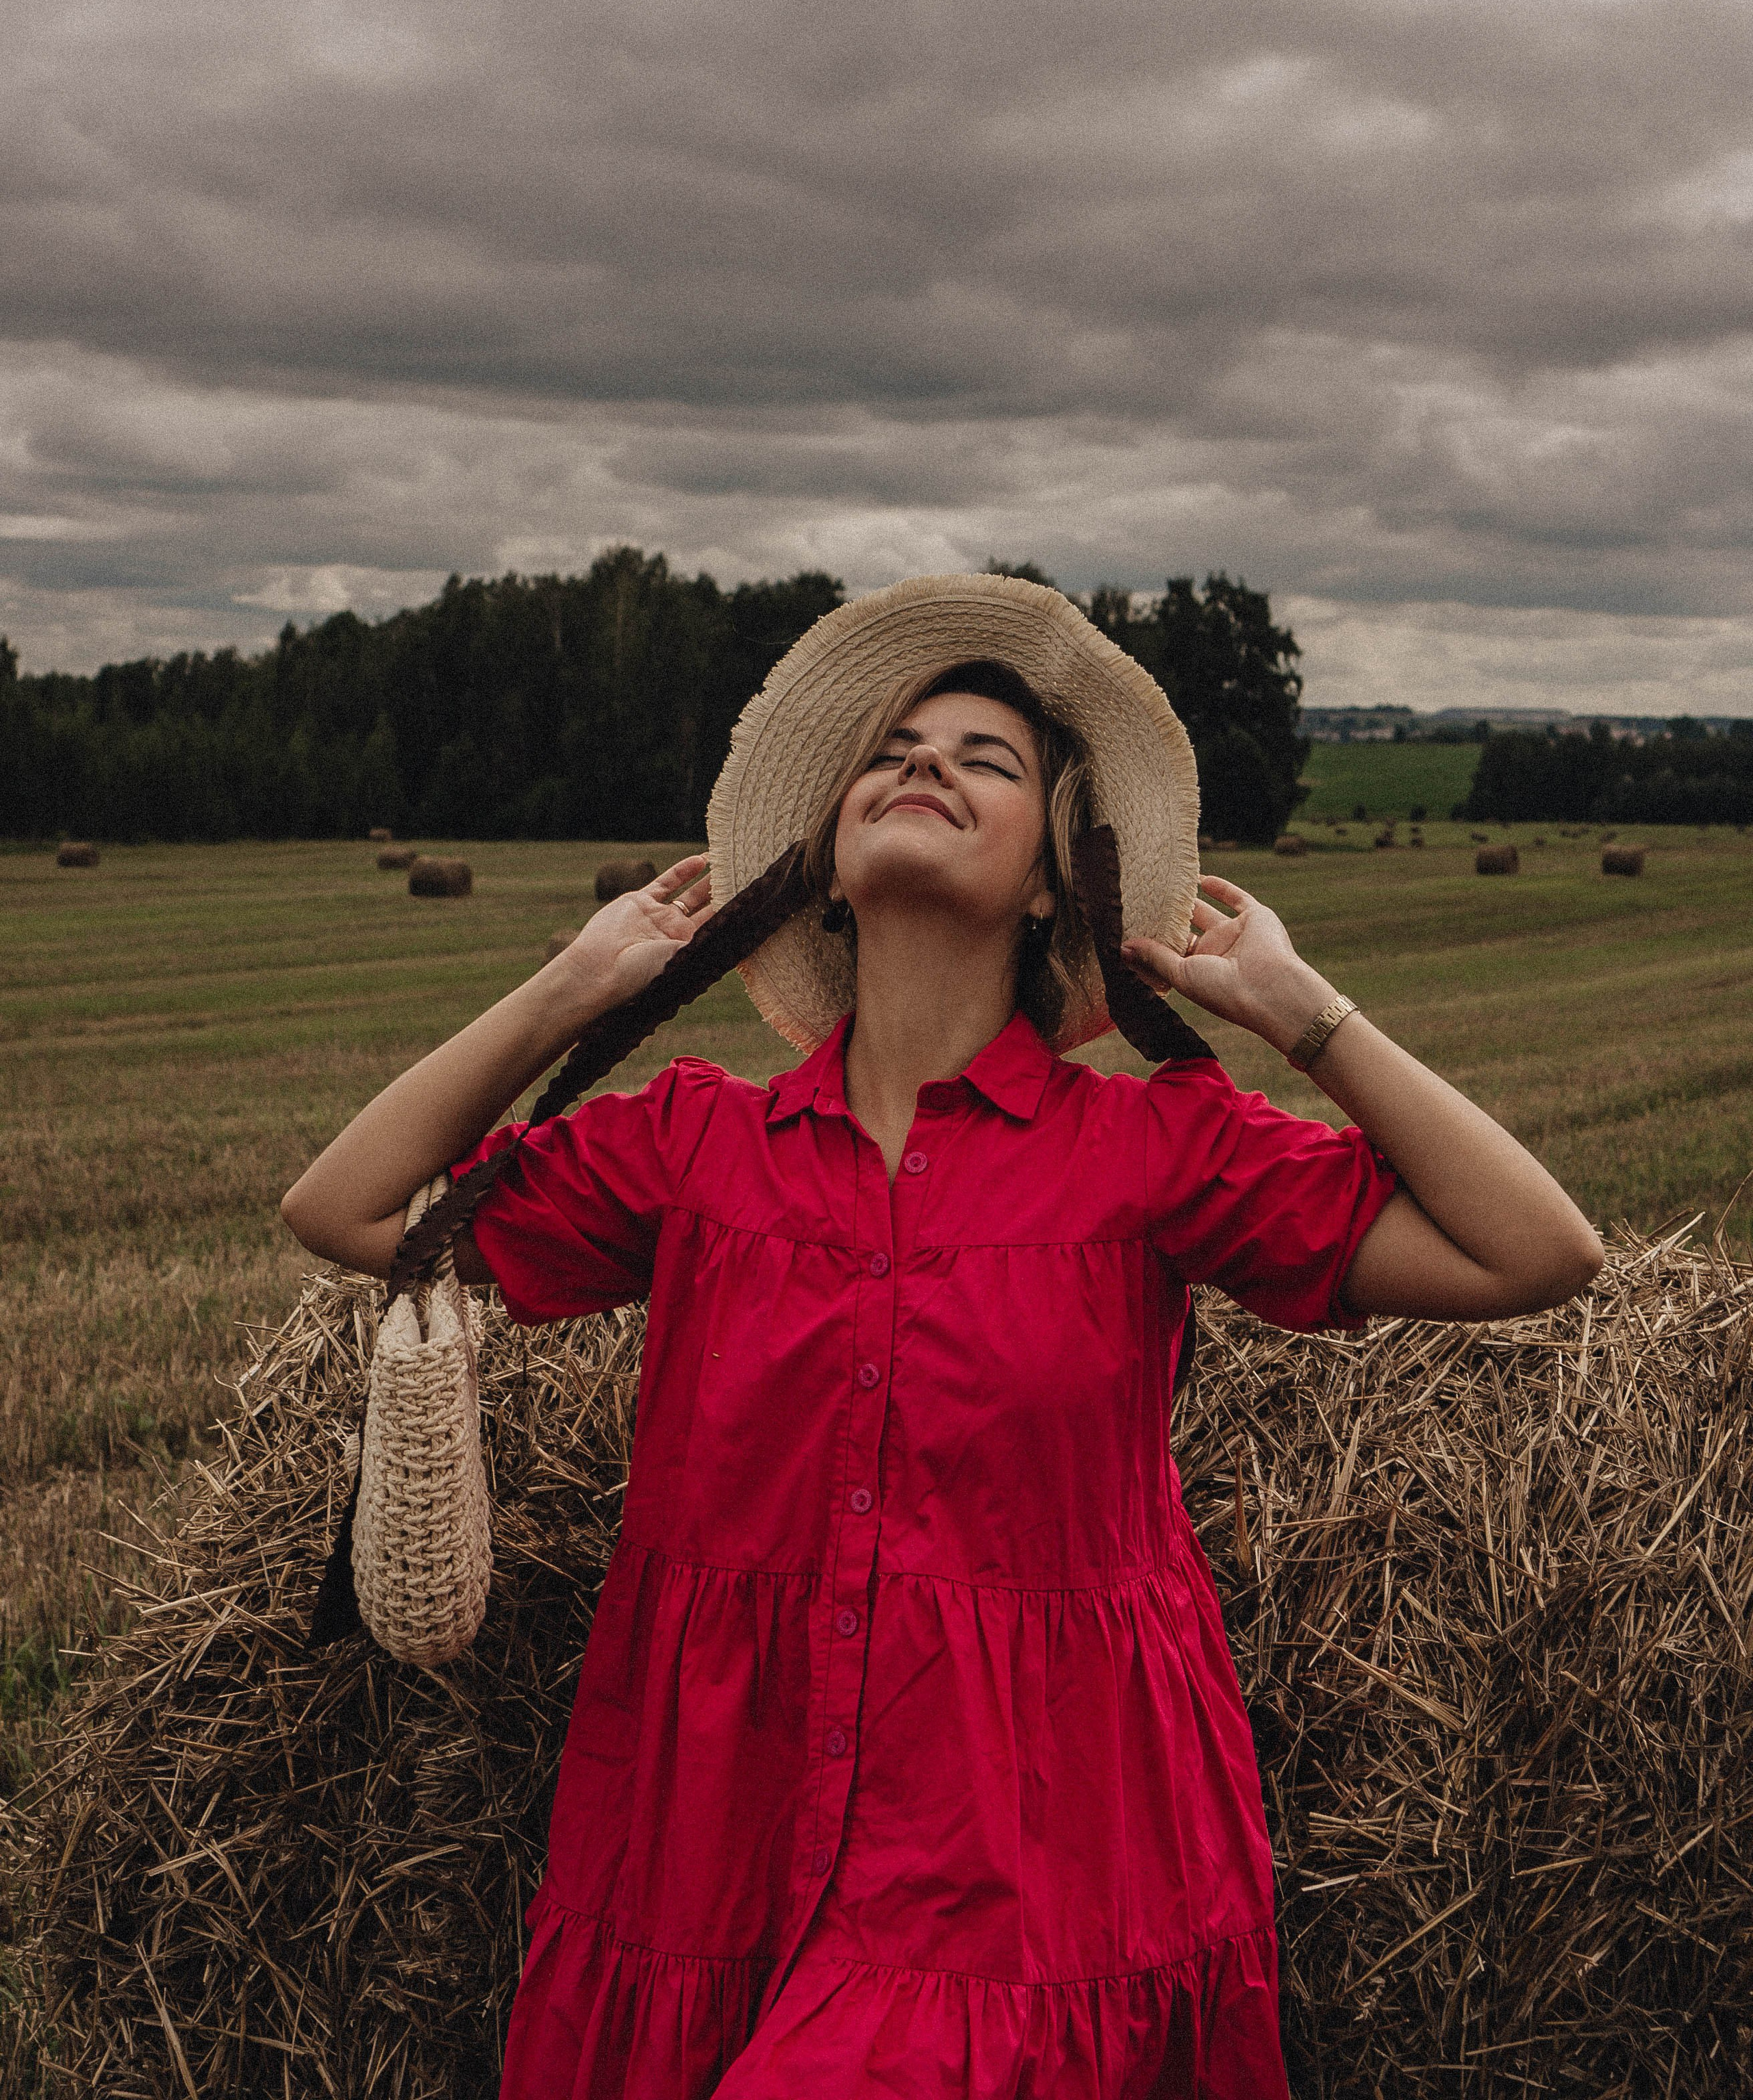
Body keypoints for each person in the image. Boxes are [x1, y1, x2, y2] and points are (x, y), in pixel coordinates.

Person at [282, 574, 1602, 2100]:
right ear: (829, 869)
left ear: (1051, 881)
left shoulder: (1152, 1148)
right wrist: (570, 990)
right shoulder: (694, 1145)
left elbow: (1537, 1250)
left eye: (986, 759)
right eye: (892, 750)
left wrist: (1302, 1014)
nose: (923, 765)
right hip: (707, 1826)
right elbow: (346, 1207)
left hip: (1033, 1834)